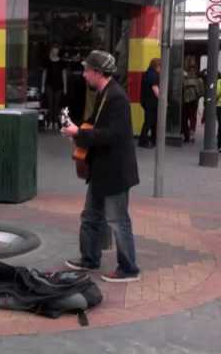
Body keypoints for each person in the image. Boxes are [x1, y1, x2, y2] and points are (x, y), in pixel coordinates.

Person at [61, 50, 141, 283]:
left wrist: (79, 132)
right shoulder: (104, 93)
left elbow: (112, 135)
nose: (84, 75)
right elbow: (93, 125)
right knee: (90, 216)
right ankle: (89, 259)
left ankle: (129, 268)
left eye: (87, 70)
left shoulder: (117, 97)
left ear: (97, 72)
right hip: (101, 169)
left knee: (117, 220)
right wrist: (76, 132)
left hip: (115, 172)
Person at [41, 43, 67, 131]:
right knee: (50, 104)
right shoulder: (47, 61)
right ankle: (50, 122)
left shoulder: (61, 62)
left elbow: (64, 74)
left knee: (57, 104)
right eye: (54, 49)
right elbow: (44, 73)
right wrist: (43, 86)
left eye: (57, 49)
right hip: (49, 84)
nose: (56, 51)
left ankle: (55, 122)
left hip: (59, 85)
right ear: (52, 50)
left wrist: (65, 87)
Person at [138, 58, 161, 148]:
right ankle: (143, 141)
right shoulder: (153, 75)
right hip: (152, 103)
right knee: (149, 122)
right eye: (160, 66)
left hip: (147, 102)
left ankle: (152, 140)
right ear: (157, 66)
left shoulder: (147, 73)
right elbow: (155, 89)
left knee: (152, 122)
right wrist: (163, 101)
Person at [182, 66, 204, 143]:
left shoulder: (184, 79)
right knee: (192, 117)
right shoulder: (199, 80)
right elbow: (202, 92)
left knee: (184, 117)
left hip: (185, 101)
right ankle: (191, 133)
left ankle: (187, 135)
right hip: (194, 101)